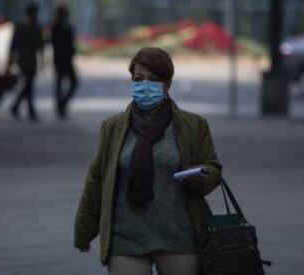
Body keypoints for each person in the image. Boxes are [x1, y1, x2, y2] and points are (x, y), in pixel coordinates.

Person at [74, 47, 222, 275]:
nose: (145, 85)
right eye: (138, 79)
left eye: (154, 80)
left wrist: (202, 178)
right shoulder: (113, 127)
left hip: (178, 238)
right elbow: (97, 180)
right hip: (126, 239)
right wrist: (84, 232)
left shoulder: (193, 125)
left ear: (167, 85)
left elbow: (213, 167)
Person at [7, 3, 44, 122]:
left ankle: (20, 108)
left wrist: (42, 59)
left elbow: (40, 46)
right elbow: (13, 45)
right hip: (23, 60)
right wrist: (10, 60)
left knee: (29, 84)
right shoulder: (21, 27)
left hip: (31, 60)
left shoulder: (36, 27)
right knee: (29, 84)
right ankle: (25, 109)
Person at [51, 5, 78, 120]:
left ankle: (62, 104)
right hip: (60, 59)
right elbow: (55, 43)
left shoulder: (68, 27)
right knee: (59, 83)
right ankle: (60, 107)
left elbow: (71, 43)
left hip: (67, 59)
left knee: (73, 82)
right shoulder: (56, 27)